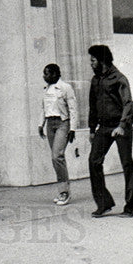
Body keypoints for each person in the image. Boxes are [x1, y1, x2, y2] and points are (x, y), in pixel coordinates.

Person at [87, 44, 133, 217]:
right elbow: (92, 106)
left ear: (102, 60)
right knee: (94, 161)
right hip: (103, 127)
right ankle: (104, 203)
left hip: (120, 127)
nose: (90, 63)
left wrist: (122, 125)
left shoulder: (119, 78)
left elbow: (128, 103)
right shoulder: (95, 80)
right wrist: (91, 128)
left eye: (93, 60)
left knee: (127, 164)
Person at [38, 63, 77, 205]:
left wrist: (72, 129)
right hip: (50, 124)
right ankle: (62, 190)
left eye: (46, 73)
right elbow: (43, 108)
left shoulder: (66, 88)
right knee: (56, 158)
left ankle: (64, 192)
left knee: (57, 156)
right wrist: (40, 124)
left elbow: (73, 109)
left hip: (62, 123)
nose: (44, 76)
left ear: (55, 74)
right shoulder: (46, 89)